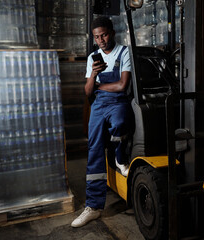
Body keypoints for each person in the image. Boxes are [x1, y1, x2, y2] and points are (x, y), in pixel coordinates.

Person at [71, 17, 134, 228]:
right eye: (97, 37)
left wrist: (99, 87)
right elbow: (88, 91)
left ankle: (119, 157)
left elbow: (122, 86)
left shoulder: (124, 52)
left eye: (104, 35)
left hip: (118, 102)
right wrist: (94, 76)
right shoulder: (92, 58)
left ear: (112, 33)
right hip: (98, 105)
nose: (101, 40)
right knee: (94, 148)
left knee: (120, 122)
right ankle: (94, 207)